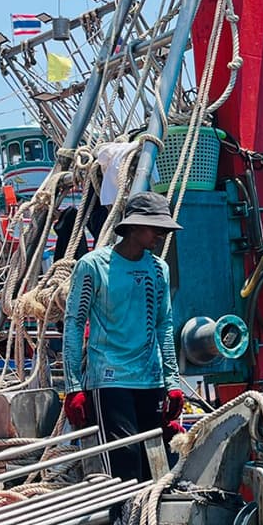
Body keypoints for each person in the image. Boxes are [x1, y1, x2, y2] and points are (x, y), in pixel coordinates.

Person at [62, 192, 182, 481]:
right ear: (134, 227)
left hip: (150, 380)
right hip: (110, 381)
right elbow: (74, 324)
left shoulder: (159, 269)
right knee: (124, 468)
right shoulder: (92, 266)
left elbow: (164, 325)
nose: (162, 235)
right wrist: (74, 387)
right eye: (157, 228)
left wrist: (173, 382)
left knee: (158, 467)